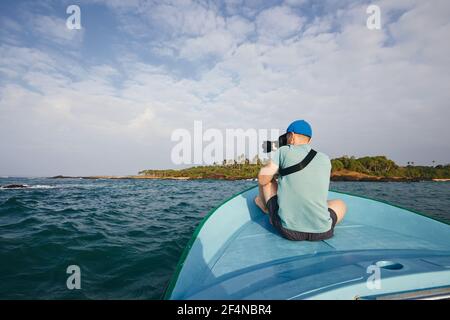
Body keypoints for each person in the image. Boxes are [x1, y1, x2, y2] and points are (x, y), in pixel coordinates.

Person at [254, 120, 347, 241]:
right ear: (310, 140)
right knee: (340, 204)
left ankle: (265, 207)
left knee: (268, 182)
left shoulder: (283, 151)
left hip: (289, 231)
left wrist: (272, 164)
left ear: (291, 136)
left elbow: (262, 179)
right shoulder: (325, 158)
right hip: (323, 231)